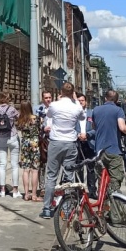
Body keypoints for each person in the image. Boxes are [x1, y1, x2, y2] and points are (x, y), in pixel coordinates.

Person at [39, 82, 85, 219]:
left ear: (61, 91)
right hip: (70, 142)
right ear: (73, 93)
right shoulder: (76, 106)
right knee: (69, 176)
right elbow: (82, 117)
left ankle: (47, 208)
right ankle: (67, 209)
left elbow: (50, 115)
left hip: (55, 142)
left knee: (51, 176)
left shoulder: (54, 105)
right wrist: (75, 100)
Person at [90, 89, 126, 193]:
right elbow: (122, 128)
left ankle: (103, 206)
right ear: (117, 100)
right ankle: (113, 207)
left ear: (105, 98)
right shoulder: (118, 110)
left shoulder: (96, 110)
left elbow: (93, 126)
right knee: (115, 183)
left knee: (101, 182)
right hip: (114, 151)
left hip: (99, 151)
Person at [16, 100, 42, 201]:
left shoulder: (20, 119)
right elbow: (40, 129)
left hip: (25, 144)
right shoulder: (36, 118)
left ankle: (26, 194)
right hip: (34, 144)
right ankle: (34, 194)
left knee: (25, 170)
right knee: (34, 170)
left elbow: (19, 129)